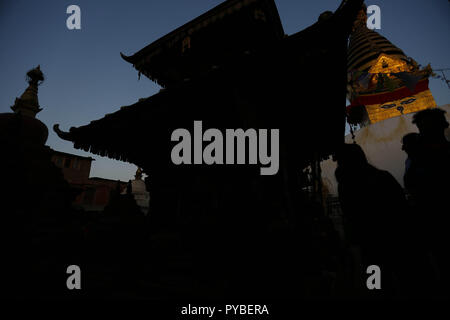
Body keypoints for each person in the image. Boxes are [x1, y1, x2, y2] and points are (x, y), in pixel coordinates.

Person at [335, 143, 409, 296]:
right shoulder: (382, 177)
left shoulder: (346, 185)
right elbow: (402, 208)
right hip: (395, 240)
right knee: (404, 278)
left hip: (370, 244)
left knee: (378, 285)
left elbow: (350, 215)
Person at [408, 108, 450, 296]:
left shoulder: (425, 157)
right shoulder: (418, 158)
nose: (424, 133)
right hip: (432, 224)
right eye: (422, 129)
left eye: (427, 129)